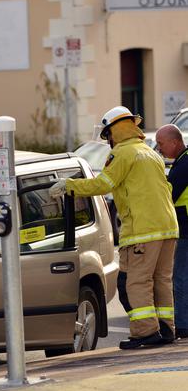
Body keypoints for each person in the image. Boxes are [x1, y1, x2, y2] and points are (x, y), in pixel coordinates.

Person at [49, 106, 179, 349]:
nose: (107, 140)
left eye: (108, 134)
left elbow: (102, 184)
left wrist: (69, 186)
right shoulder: (150, 153)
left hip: (143, 230)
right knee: (162, 280)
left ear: (115, 131)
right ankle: (165, 328)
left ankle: (145, 333)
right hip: (168, 228)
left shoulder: (122, 154)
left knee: (137, 282)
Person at [155, 124, 188, 339]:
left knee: (180, 278)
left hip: (186, 229)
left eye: (160, 144)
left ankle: (184, 325)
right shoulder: (182, 161)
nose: (158, 149)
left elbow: (168, 194)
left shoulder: (184, 164)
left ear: (175, 142)